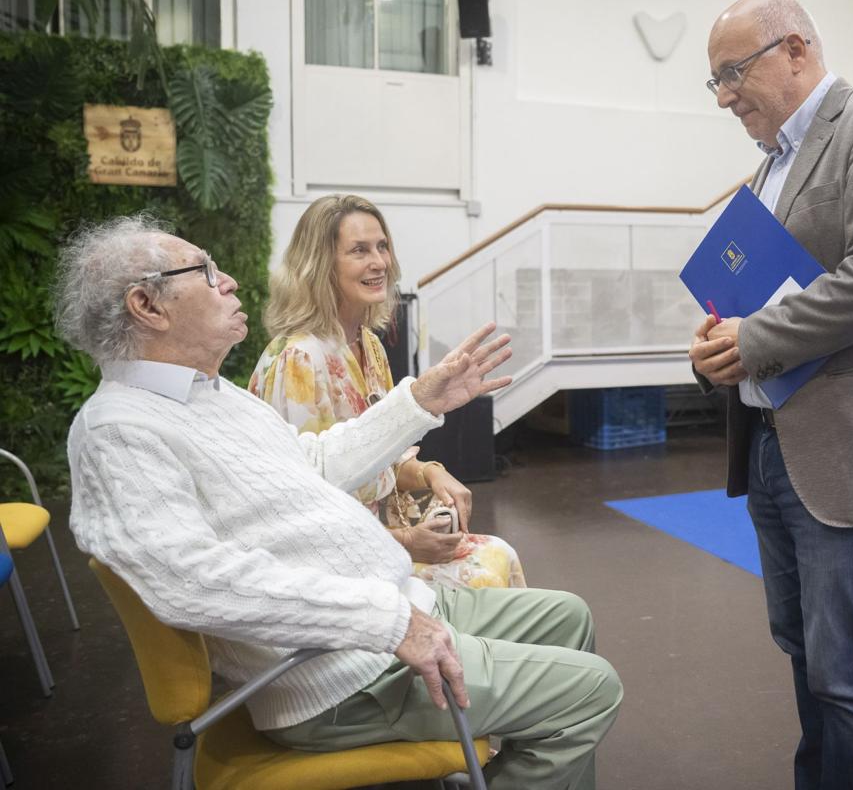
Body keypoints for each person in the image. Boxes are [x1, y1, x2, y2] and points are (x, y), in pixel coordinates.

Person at [59, 216, 620, 790]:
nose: (227, 280)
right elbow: (188, 580)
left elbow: (316, 465)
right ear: (147, 306)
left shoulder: (213, 395)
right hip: (339, 674)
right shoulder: (118, 430)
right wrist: (387, 620)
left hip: (388, 610)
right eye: (204, 271)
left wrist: (419, 401)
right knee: (592, 690)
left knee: (567, 616)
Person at [689, 0, 853, 790]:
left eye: (734, 73)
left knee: (845, 673)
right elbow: (753, 299)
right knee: (806, 658)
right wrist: (715, 351)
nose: (726, 96)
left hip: (850, 453)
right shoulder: (771, 164)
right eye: (716, 83)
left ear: (796, 50)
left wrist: (756, 340)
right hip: (774, 447)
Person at [250, 194, 525, 589]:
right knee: (488, 570)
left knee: (499, 554)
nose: (380, 262)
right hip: (334, 573)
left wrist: (432, 472)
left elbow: (376, 459)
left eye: (382, 247)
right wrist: (406, 544)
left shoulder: (369, 345)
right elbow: (299, 511)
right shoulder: (300, 360)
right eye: (359, 251)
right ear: (320, 265)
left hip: (375, 542)